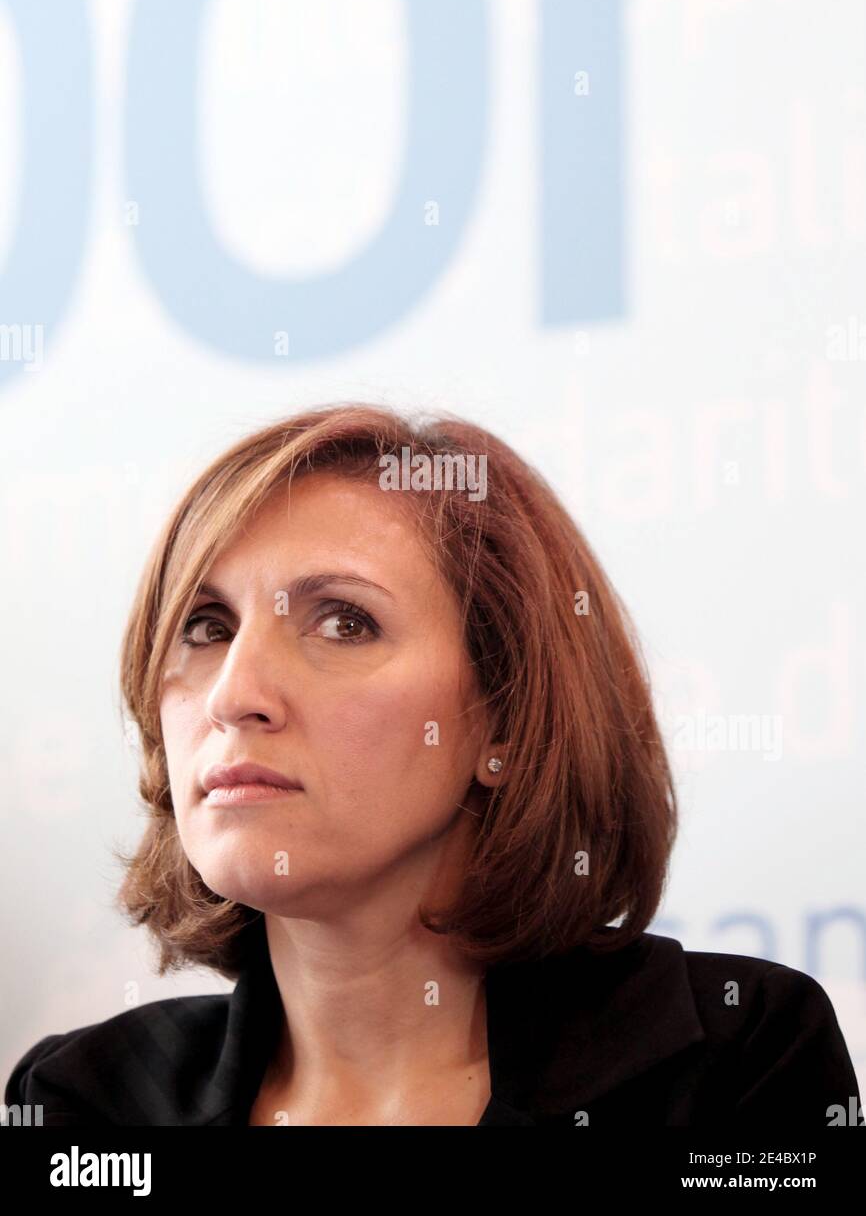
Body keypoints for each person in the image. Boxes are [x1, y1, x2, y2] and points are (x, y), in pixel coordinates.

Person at [3, 403, 861, 1126]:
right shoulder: (84, 1104)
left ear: (505, 718)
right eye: (206, 627)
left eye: (343, 622)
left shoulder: (730, 1063)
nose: (235, 693)